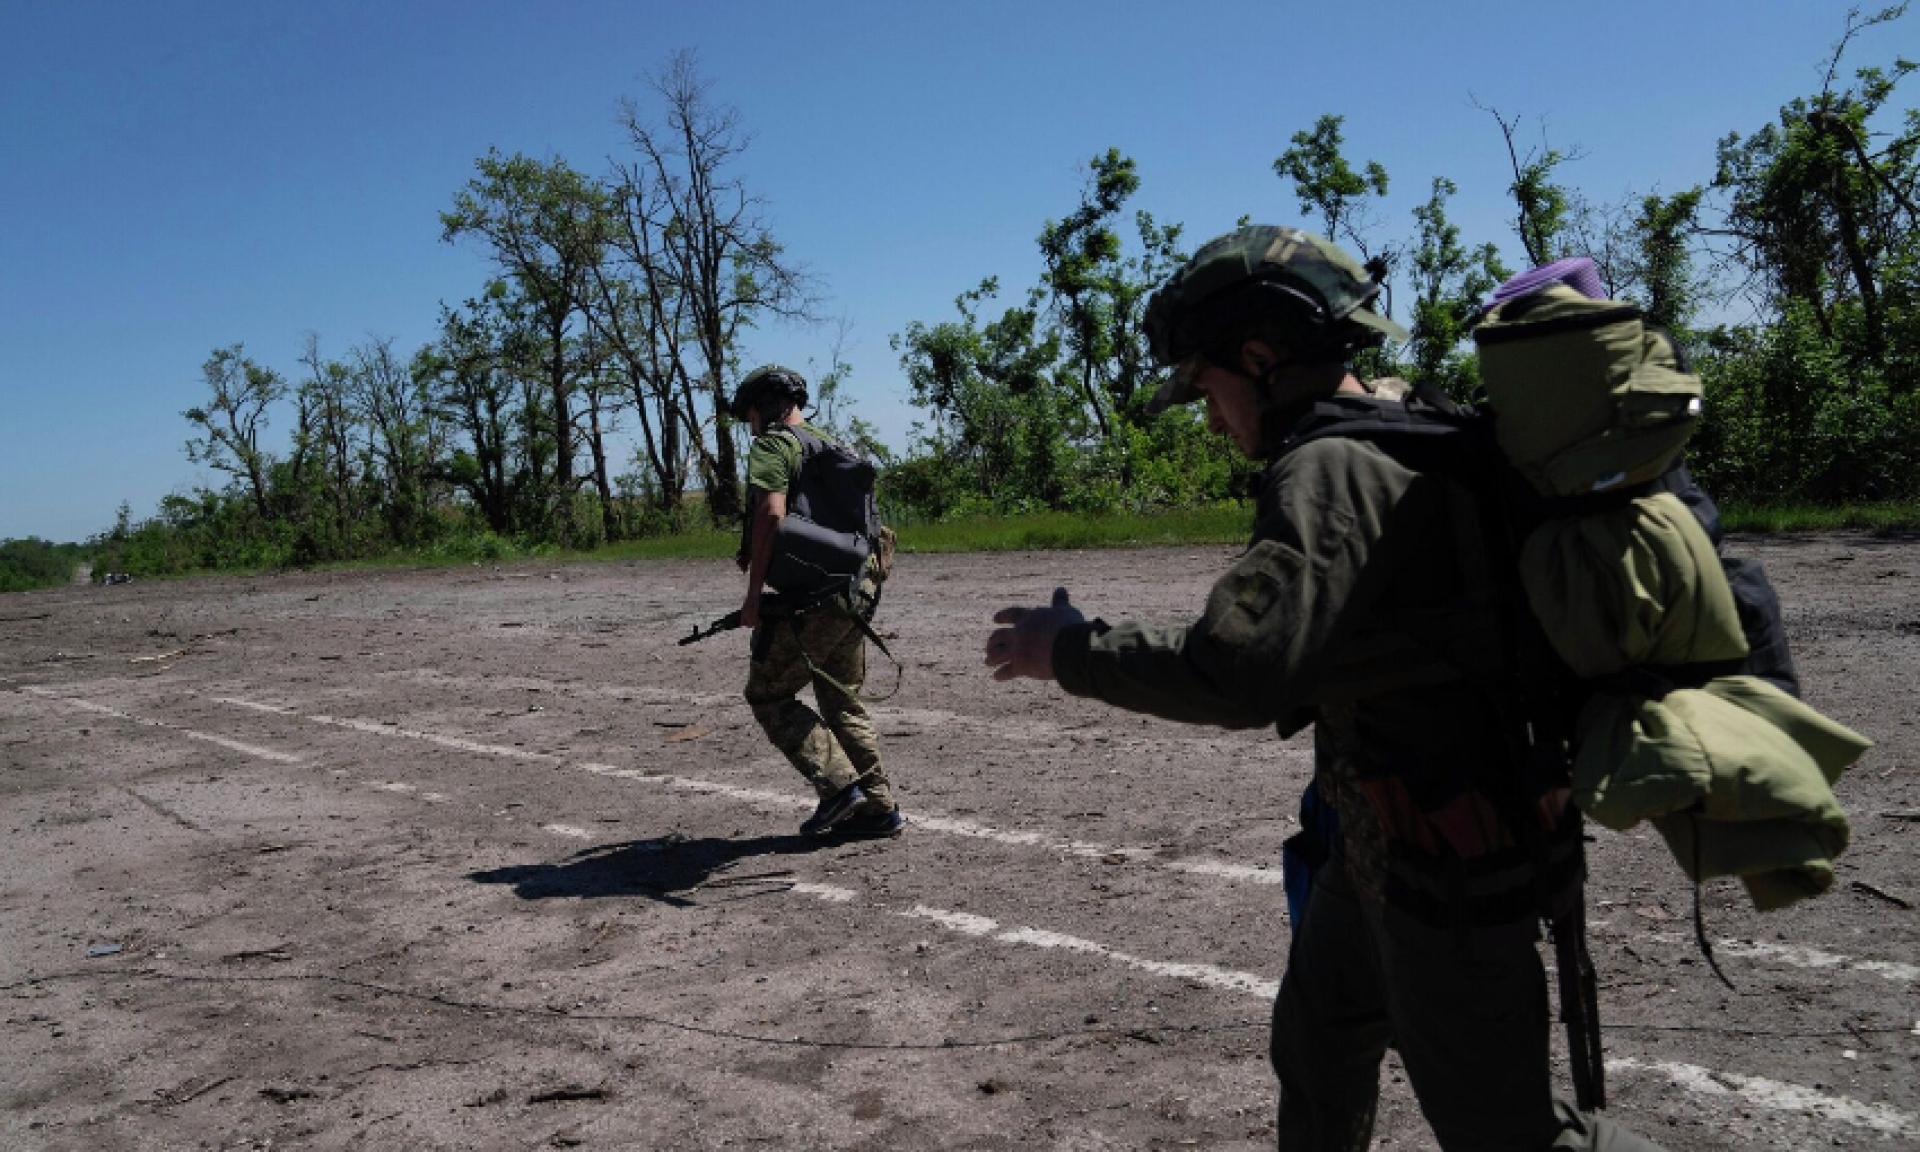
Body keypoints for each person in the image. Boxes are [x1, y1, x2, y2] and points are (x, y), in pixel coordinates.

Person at [983, 227, 1662, 1151]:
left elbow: (1240, 669)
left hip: (1448, 867)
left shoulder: (1331, 466)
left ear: (1260, 359)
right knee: (1318, 1047)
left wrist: (1068, 649)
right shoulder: (1406, 422)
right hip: (1382, 844)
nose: (1213, 420)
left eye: (1209, 389)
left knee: (1508, 1133)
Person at [732, 365, 903, 840]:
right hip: (858, 590)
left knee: (768, 694)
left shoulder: (773, 445)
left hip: (815, 598)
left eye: (749, 413)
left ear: (765, 406)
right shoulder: (834, 445)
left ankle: (839, 787)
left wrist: (753, 597)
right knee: (840, 699)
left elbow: (771, 514)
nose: (749, 425)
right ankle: (879, 809)